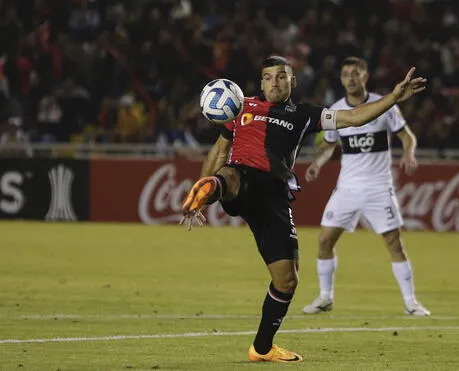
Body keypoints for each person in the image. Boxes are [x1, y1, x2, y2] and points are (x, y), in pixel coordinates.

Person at [180, 56, 426, 363]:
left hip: (274, 197)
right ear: (260, 83)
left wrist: (392, 98)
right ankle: (210, 189)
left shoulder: (305, 114)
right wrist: (202, 187)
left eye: (281, 77)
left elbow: (353, 117)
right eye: (268, 77)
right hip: (242, 179)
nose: (275, 82)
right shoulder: (241, 107)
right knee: (232, 173)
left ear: (292, 81)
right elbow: (220, 149)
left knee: (287, 280)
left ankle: (262, 348)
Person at [300, 57, 430, 316]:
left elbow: (407, 136)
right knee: (325, 240)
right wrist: (318, 163)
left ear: (365, 77)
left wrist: (409, 154)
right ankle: (325, 297)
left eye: (355, 73)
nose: (350, 78)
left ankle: (410, 302)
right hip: (347, 188)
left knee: (394, 243)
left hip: (378, 187)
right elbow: (330, 145)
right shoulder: (337, 110)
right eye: (345, 74)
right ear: (341, 79)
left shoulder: (385, 105)